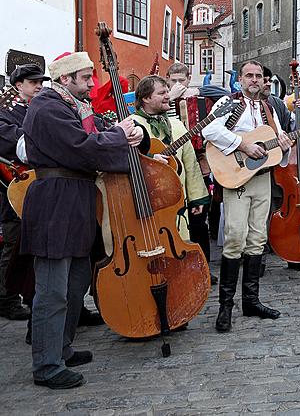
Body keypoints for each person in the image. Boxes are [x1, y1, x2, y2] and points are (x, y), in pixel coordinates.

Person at [21, 52, 143, 389]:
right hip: (55, 204)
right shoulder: (47, 107)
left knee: (74, 284)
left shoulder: (75, 106)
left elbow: (100, 136)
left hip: (75, 200)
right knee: (52, 290)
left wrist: (130, 135)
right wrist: (119, 135)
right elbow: (83, 148)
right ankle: (46, 364)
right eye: (86, 77)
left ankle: (61, 349)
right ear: (65, 79)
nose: (93, 83)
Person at [202, 60, 294, 333]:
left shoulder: (269, 108)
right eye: (249, 76)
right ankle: (225, 307)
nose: (254, 80)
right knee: (234, 238)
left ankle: (251, 301)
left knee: (257, 238)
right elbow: (209, 130)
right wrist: (242, 143)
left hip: (262, 178)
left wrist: (285, 145)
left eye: (258, 76)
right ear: (240, 79)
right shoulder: (229, 103)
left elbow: (277, 142)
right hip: (237, 178)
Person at [131, 75, 212, 269]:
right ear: (145, 98)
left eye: (167, 91)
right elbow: (128, 160)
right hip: (148, 208)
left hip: (178, 207)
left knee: (179, 254)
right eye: (162, 93)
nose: (168, 96)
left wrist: (197, 199)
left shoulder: (176, 125)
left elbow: (190, 163)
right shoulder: (132, 124)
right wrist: (150, 158)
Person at [0, 65, 47, 323]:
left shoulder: (39, 109)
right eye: (32, 82)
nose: (39, 85)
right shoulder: (6, 112)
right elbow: (7, 139)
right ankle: (6, 299)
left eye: (41, 81)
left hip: (36, 188)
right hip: (11, 189)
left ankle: (32, 296)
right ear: (18, 86)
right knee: (13, 245)